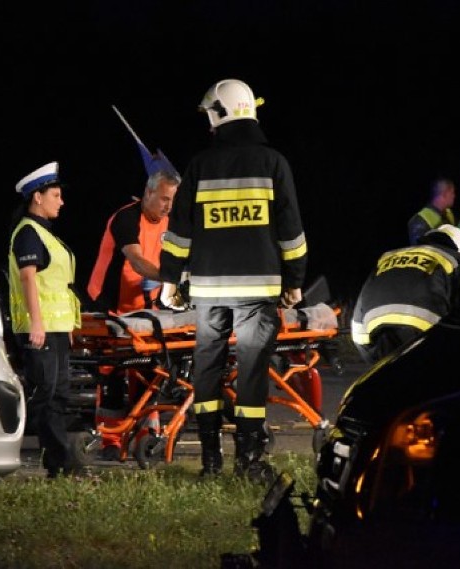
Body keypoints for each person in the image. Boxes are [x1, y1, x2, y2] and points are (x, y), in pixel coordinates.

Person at [159, 78, 307, 482]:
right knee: (252, 371)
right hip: (259, 292)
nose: (208, 125)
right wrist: (294, 280)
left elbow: (179, 232)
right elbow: (290, 231)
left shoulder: (199, 166)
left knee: (206, 368)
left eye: (210, 116)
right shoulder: (274, 163)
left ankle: (210, 462)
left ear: (221, 114)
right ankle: (249, 462)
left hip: (208, 292)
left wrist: (170, 281)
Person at [86, 108, 180, 460]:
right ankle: (110, 442)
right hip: (109, 305)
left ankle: (147, 435)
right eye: (165, 200)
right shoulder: (126, 219)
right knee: (111, 377)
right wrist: (171, 275)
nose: (169, 207)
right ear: (149, 192)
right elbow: (139, 261)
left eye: (173, 201)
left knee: (148, 374)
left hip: (144, 310)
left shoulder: (168, 220)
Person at [8, 161, 82, 478]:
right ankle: (63, 463)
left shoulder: (43, 233)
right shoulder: (28, 233)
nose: (61, 201)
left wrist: (64, 328)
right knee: (47, 398)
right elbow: (28, 279)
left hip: (55, 329)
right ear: (37, 197)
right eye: (56, 195)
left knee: (59, 396)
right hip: (39, 330)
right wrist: (37, 323)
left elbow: (56, 285)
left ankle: (59, 464)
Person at [351, 224, 460, 364]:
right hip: (425, 340)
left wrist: (373, 361)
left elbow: (360, 314)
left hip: (378, 341)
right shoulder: (458, 261)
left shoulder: (386, 257)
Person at [408, 177, 456, 245]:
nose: (454, 196)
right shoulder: (420, 220)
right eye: (452, 193)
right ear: (445, 194)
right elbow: (419, 249)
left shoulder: (449, 213)